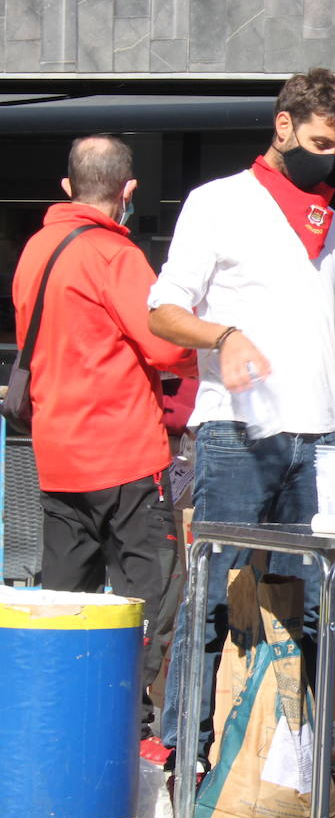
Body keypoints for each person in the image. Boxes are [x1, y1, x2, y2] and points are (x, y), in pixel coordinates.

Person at [148, 68, 335, 766]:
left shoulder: (331, 221)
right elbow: (164, 308)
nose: (328, 159)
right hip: (236, 433)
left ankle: (293, 759)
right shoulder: (218, 203)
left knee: (312, 604)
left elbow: (331, 328)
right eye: (322, 142)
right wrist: (225, 336)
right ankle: (184, 751)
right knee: (214, 594)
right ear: (284, 126)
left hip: (319, 436)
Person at [12, 134, 198, 739]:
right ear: (130, 191)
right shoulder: (116, 256)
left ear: (66, 188)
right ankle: (133, 728)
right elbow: (166, 344)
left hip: (57, 454)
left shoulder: (36, 249)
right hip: (124, 454)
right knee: (149, 603)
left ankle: (64, 724)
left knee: (66, 602)